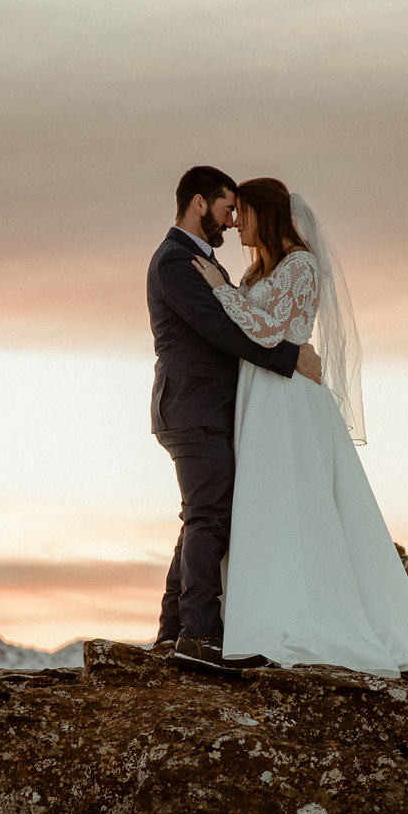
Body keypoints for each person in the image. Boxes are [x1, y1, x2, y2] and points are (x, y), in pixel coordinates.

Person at [192, 178, 408, 686]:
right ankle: (261, 616)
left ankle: (308, 618)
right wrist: (230, 292)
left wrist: (219, 292)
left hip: (287, 399)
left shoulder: (301, 265)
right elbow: (254, 321)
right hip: (258, 393)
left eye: (244, 213)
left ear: (266, 215)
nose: (236, 223)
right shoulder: (260, 269)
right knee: (264, 502)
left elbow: (270, 328)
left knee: (297, 499)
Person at [147, 166, 322, 675]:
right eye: (227, 210)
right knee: (208, 516)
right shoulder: (177, 262)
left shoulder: (204, 261)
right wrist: (291, 359)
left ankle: (173, 629)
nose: (231, 222)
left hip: (208, 408)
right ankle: (197, 633)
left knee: (202, 513)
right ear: (200, 204)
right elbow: (220, 330)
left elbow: (236, 318)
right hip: (193, 407)